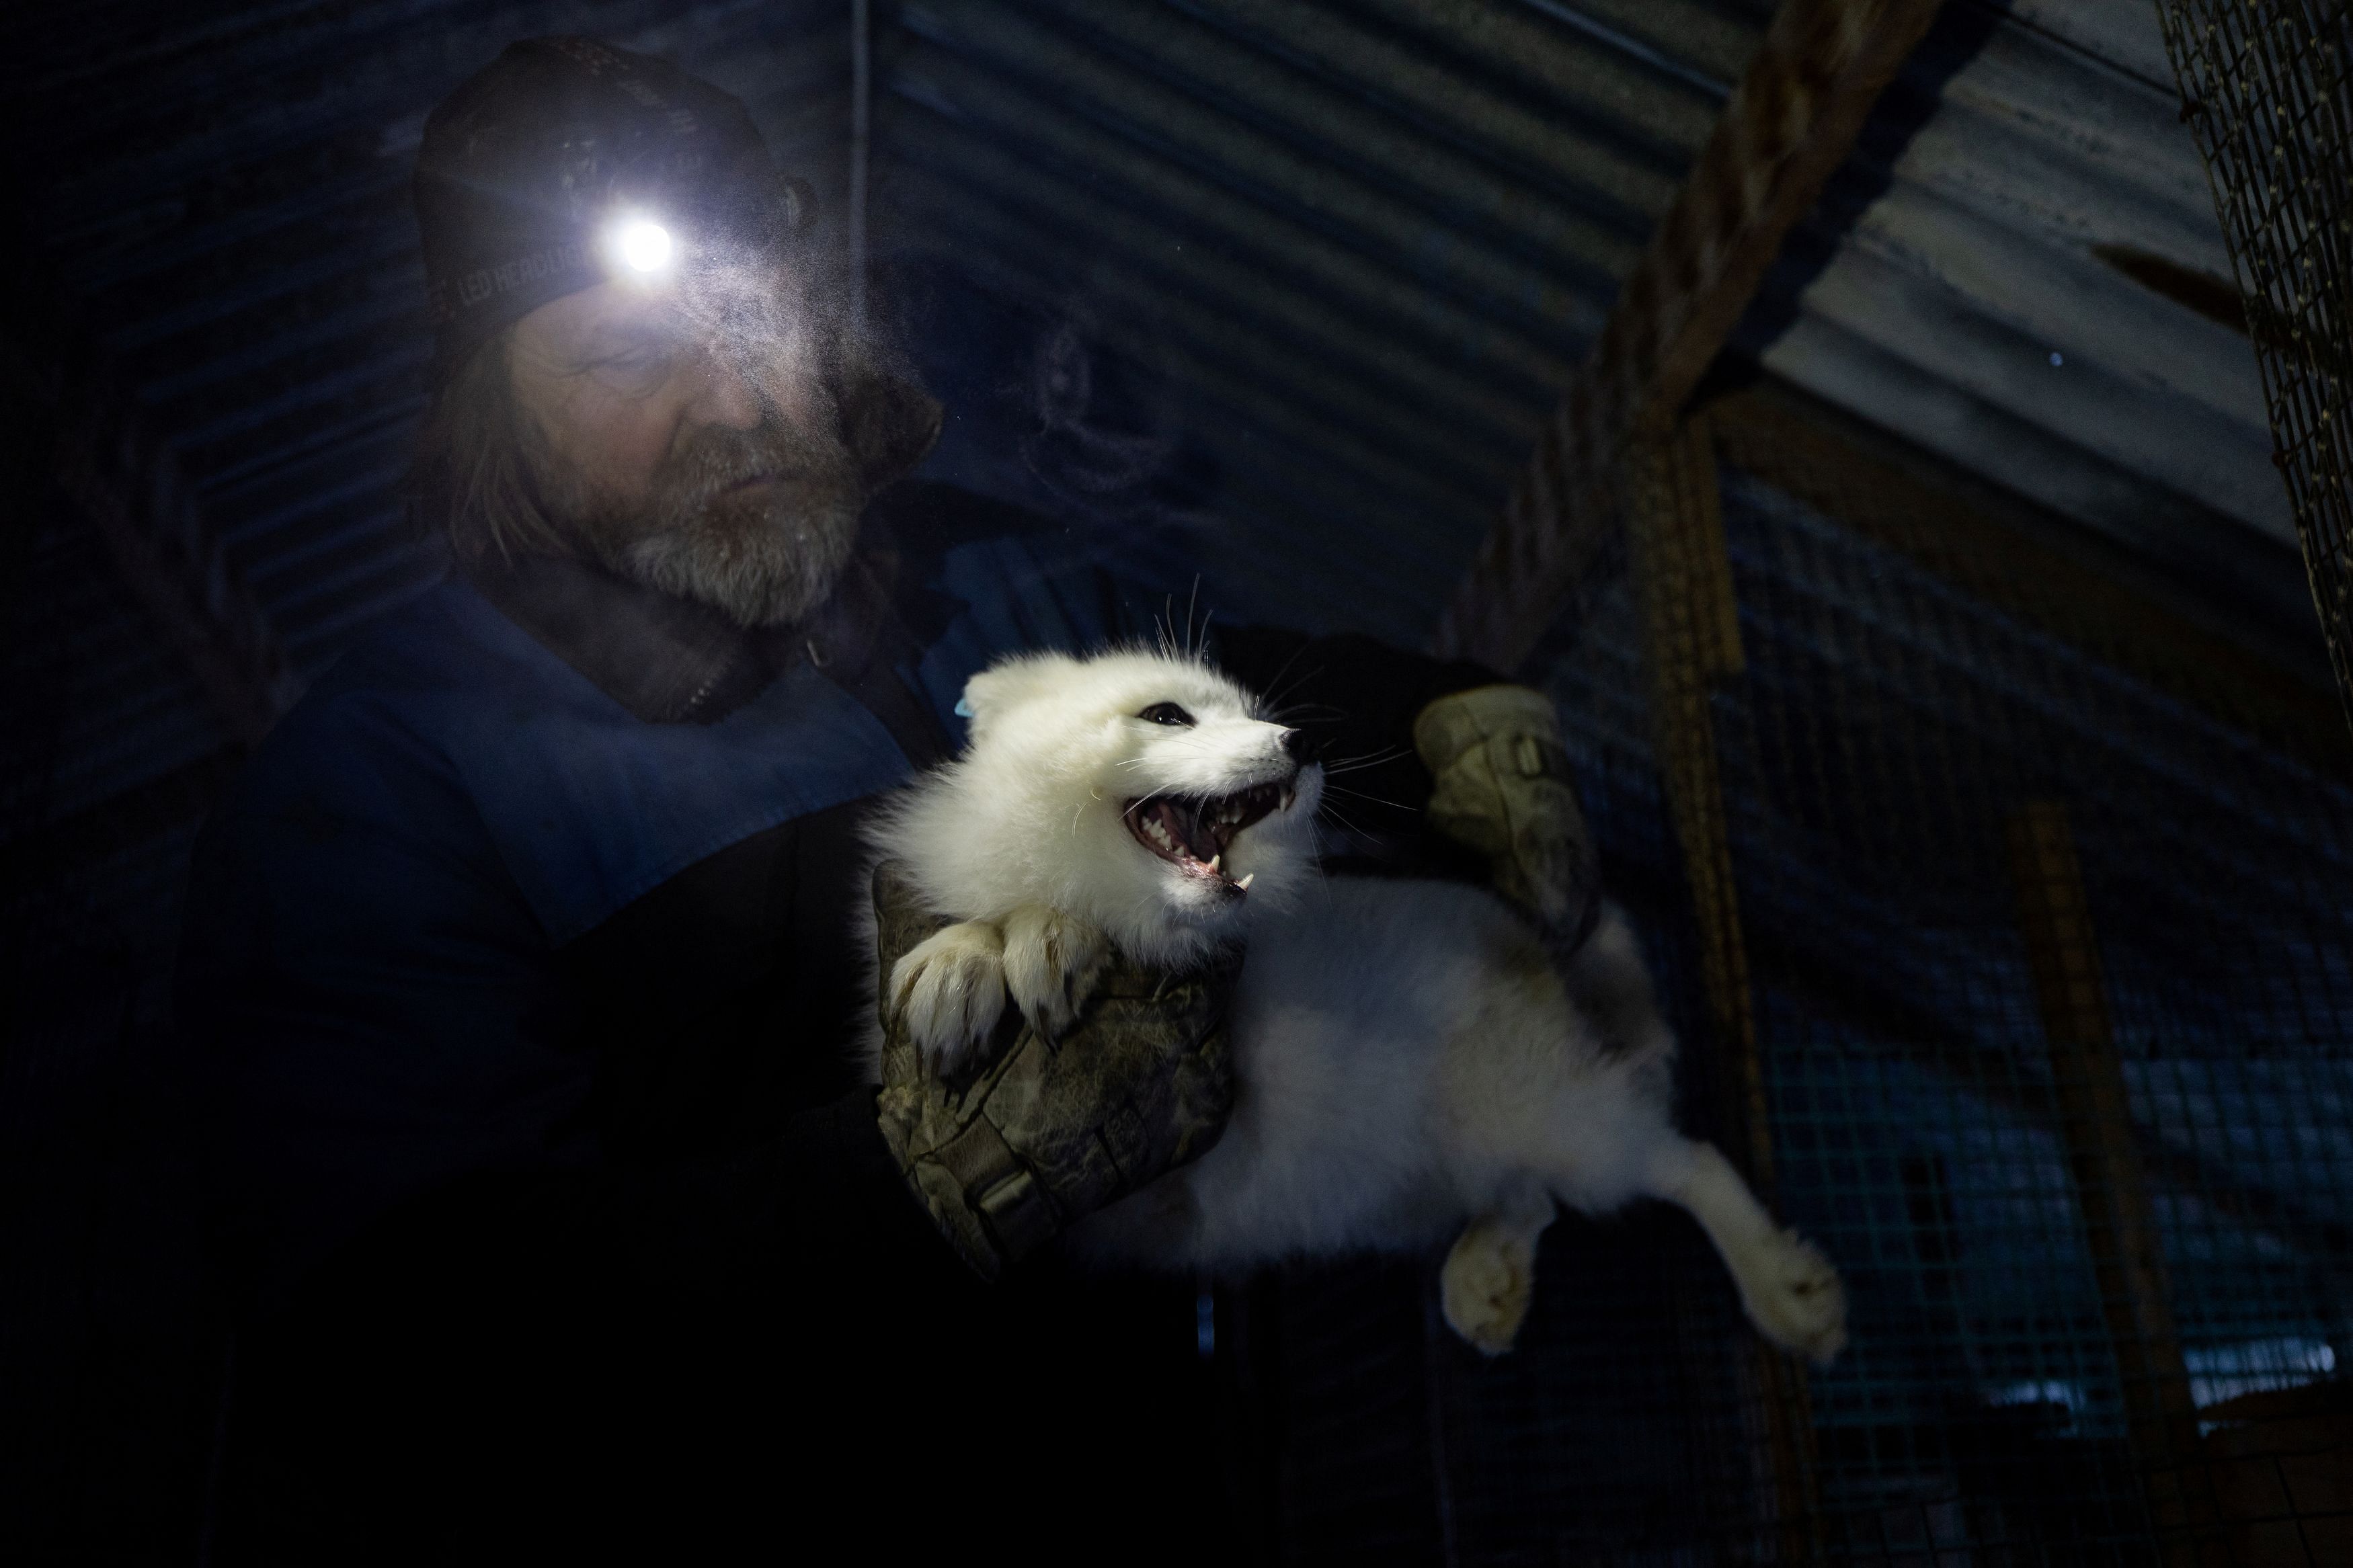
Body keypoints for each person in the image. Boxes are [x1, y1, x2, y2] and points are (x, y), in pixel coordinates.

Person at [176, 36, 1594, 1565]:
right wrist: (922, 1189)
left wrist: (1441, 720)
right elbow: (403, 1348)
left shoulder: (971, 580)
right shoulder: (377, 791)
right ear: (493, 426)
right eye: (623, 357)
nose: (731, 402)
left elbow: (1238, 689)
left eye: (753, 320)